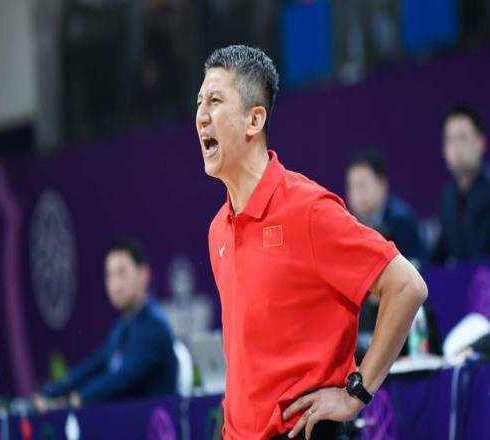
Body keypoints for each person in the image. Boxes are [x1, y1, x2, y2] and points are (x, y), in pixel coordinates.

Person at [197, 45, 427, 440]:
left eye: (215, 101)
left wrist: (356, 394)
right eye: (199, 102)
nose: (201, 115)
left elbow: (407, 286)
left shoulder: (308, 210)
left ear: (254, 120)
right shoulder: (218, 229)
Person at [33, 238, 177, 410]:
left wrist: (76, 400)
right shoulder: (121, 327)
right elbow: (94, 367)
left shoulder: (154, 327)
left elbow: (124, 379)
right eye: (110, 274)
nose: (115, 283)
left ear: (143, 274)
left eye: (121, 272)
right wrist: (51, 392)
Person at [346, 149, 426, 265]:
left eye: (362, 186)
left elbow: (416, 266)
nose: (357, 195)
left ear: (382, 184)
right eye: (352, 187)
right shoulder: (351, 225)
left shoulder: (401, 221)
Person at [432, 106, 490, 263]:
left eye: (462, 137)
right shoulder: (448, 197)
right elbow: (439, 255)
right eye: (450, 139)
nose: (456, 147)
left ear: (481, 142)